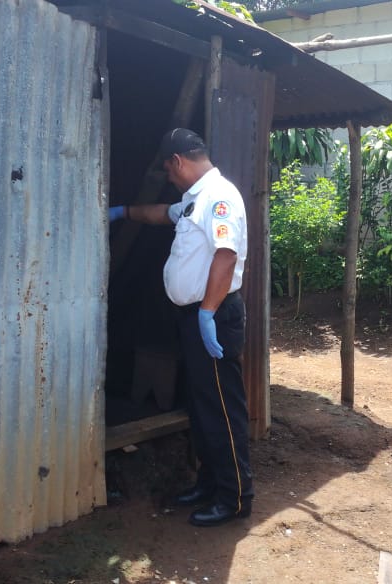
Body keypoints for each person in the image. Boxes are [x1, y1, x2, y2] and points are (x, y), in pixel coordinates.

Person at [111, 128, 253, 527]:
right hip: (194, 318)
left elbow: (226, 257)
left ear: (177, 162)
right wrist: (123, 212)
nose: (170, 179)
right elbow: (160, 213)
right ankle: (209, 484)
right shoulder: (194, 200)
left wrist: (207, 312)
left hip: (215, 318)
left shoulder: (220, 197)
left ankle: (236, 497)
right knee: (202, 406)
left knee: (224, 410)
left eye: (169, 172)